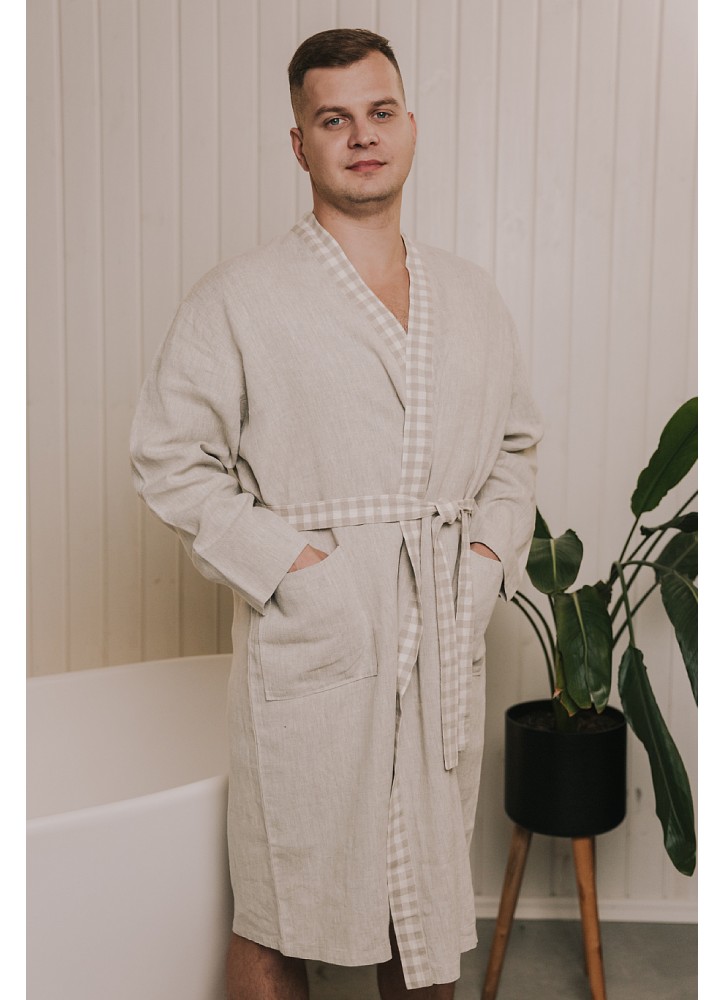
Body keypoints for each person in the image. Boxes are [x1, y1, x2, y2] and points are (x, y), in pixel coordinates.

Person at [130, 27, 542, 1000]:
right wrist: (296, 570)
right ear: (299, 143)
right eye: (333, 119)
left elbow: (515, 448)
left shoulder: (472, 298)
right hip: (316, 642)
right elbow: (168, 456)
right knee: (279, 904)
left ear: (410, 126)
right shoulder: (238, 299)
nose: (362, 136)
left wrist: (483, 556)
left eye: (379, 112)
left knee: (423, 908)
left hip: (437, 633)